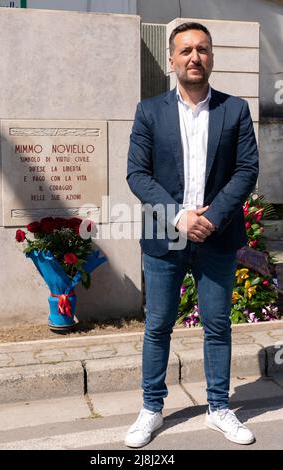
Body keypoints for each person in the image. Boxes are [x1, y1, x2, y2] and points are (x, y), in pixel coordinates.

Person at [125, 22, 259, 447]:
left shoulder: (234, 110)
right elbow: (137, 174)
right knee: (158, 325)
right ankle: (151, 408)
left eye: (202, 49)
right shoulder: (149, 112)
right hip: (165, 235)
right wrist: (179, 216)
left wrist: (211, 218)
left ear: (212, 58)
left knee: (217, 325)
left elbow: (246, 170)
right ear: (171, 60)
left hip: (216, 235)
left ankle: (219, 408)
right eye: (185, 50)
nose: (194, 57)